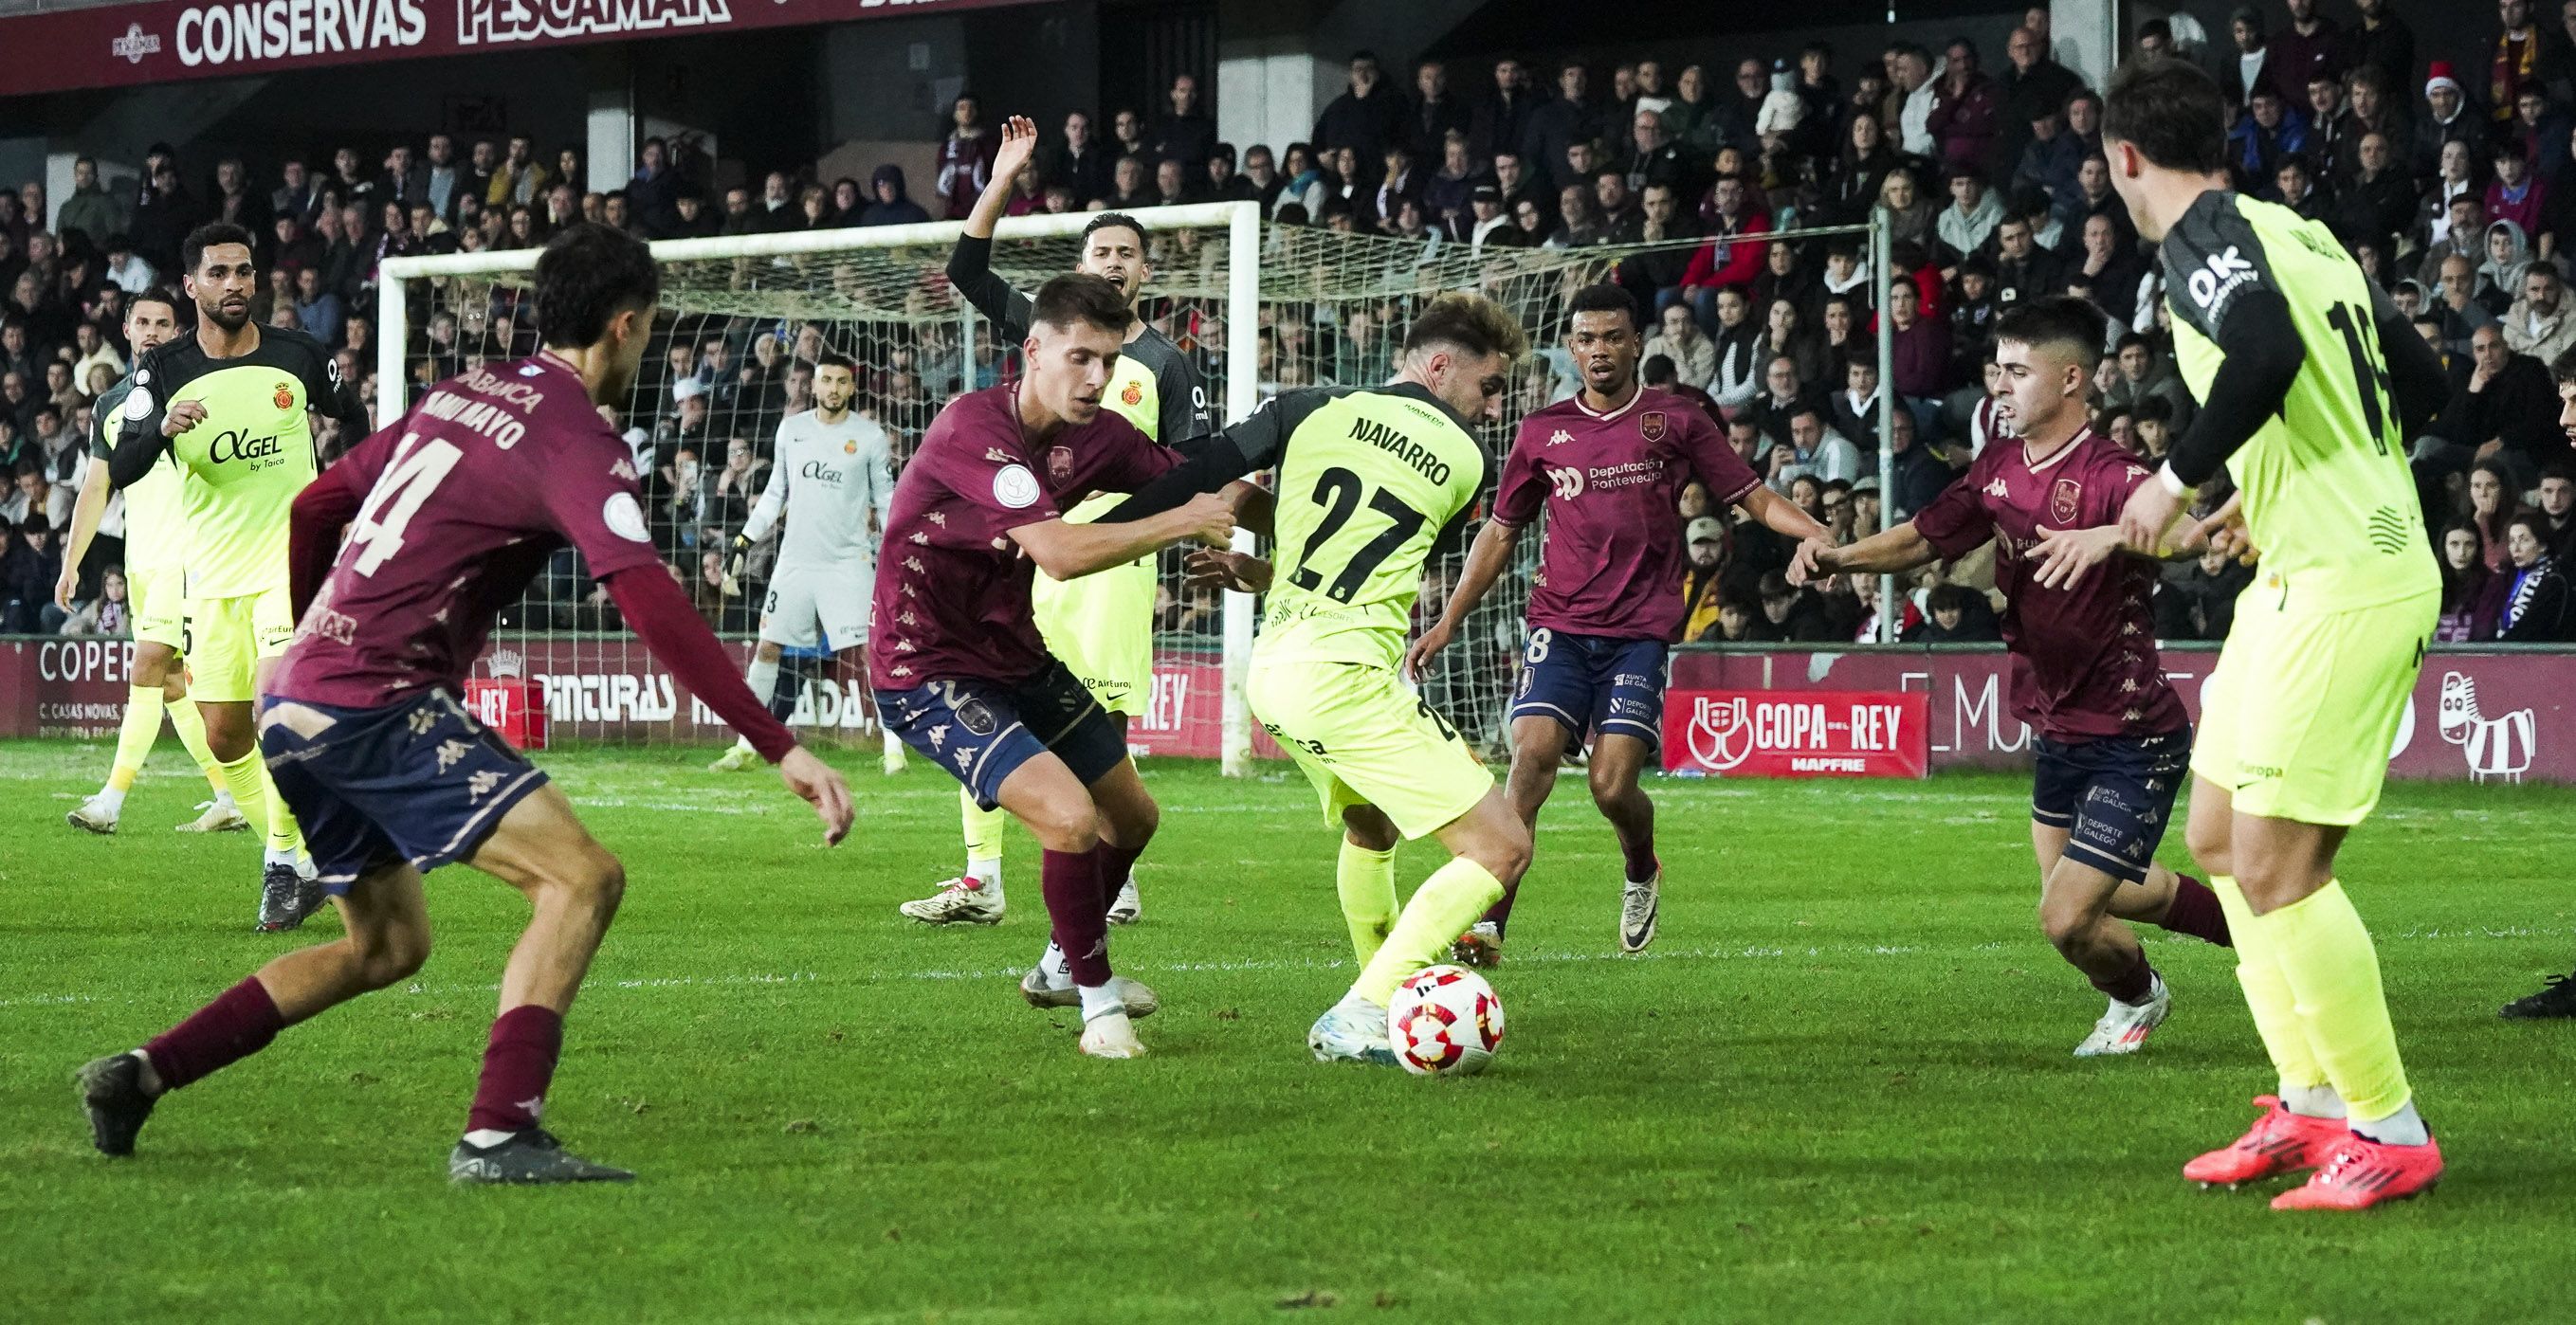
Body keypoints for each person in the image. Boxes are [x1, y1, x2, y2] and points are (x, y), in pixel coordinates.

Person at [74, 223, 856, 1183]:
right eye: (647, 330)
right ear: (624, 325)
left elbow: (317, 507)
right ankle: (498, 1134)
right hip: (376, 703)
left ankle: (142, 1073)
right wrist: (781, 745)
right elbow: (647, 596)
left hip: (297, 694)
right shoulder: (575, 435)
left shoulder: (462, 392)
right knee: (581, 879)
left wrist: (317, 630)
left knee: (385, 947)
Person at [2106, 58, 2452, 1210]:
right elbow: (2415, 381)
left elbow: (2260, 352)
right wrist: (2271, 480)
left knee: (2274, 865)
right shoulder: (2293, 231)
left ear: (2121, 160)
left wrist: (2172, 480)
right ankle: (2306, 1107)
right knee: (2214, 835)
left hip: (2349, 574)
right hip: (2310, 563)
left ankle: (2386, 1128)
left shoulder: (2200, 238)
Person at [1096, 292, 1535, 1066]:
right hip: (1344, 677)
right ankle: (1364, 1010)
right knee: (1500, 849)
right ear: (1438, 367)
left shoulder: (1306, 407)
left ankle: (1377, 986)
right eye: (1489, 385)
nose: (1492, 405)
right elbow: (1374, 556)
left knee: (1372, 825)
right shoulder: (1468, 463)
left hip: (1276, 671)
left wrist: (1089, 527)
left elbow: (1201, 473)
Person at [1792, 297, 2237, 1055]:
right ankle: (2230, 941)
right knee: (2107, 896)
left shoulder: (2113, 474)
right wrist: (1840, 556)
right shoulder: (1998, 466)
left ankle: (2144, 998)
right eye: (1996, 369)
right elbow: (1926, 538)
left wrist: (2106, 536)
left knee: (2064, 918)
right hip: (2057, 726)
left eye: (2017, 371)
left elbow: (2190, 537)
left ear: (2070, 380)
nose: (1999, 385)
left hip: (2132, 731)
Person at [870, 273, 1239, 1061]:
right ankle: (1099, 1007)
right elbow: (1063, 555)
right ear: (1032, 350)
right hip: (924, 666)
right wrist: (1186, 523)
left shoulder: (1096, 433)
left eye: (1108, 361)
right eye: (1080, 358)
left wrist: (1279, 516)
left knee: (1134, 816)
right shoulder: (974, 425)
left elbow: (1198, 480)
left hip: (1014, 655)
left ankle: (1056, 967)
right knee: (1070, 818)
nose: (1097, 379)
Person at [1407, 285, 1825, 965]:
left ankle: (1640, 868)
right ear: (1571, 349)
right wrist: (1448, 619)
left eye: (1611, 337)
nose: (1599, 351)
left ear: (1636, 344)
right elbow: (1500, 532)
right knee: (1531, 759)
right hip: (1560, 625)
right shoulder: (1541, 431)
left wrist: (1817, 537)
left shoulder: (1678, 421)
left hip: (1637, 633)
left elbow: (1750, 496)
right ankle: (1489, 923)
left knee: (1610, 786)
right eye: (1586, 339)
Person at [901, 118, 1215, 933]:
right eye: (1101, 252)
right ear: (1082, 268)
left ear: (1147, 270)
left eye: (1127, 253)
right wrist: (1002, 177)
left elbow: (1192, 472)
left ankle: (1112, 866)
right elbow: (966, 269)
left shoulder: (1169, 365)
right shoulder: (1052, 333)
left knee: (1097, 714)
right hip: (1031, 543)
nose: (1113, 262)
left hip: (1116, 558)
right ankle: (983, 875)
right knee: (998, 694)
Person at [107, 224, 370, 931]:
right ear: (191, 286)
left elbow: (355, 417)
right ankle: (298, 855)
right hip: (210, 573)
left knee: (276, 714)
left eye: (244, 273)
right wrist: (160, 426)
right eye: (219, 273)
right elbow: (123, 466)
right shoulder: (159, 370)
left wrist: (350, 495)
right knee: (225, 735)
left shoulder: (299, 355)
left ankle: (286, 862)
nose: (234, 285)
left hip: (291, 563)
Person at [55, 289, 239, 835]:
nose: (153, 331)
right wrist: (72, 563)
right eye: (144, 322)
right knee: (175, 684)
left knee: (149, 666)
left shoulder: (200, 390)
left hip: (192, 557)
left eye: (164, 322)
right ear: (128, 331)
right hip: (144, 559)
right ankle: (228, 793)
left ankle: (111, 800)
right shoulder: (112, 406)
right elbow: (94, 490)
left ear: (178, 331)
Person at [704, 352, 896, 773]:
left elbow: (885, 497)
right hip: (795, 562)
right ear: (815, 385)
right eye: (825, 380)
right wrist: (743, 539)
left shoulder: (869, 436)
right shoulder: (792, 430)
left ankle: (895, 751)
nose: (832, 389)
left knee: (870, 651)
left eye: (841, 382)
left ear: (851, 386)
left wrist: (897, 542)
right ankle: (745, 746)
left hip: (848, 562)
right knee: (769, 646)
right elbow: (775, 494)